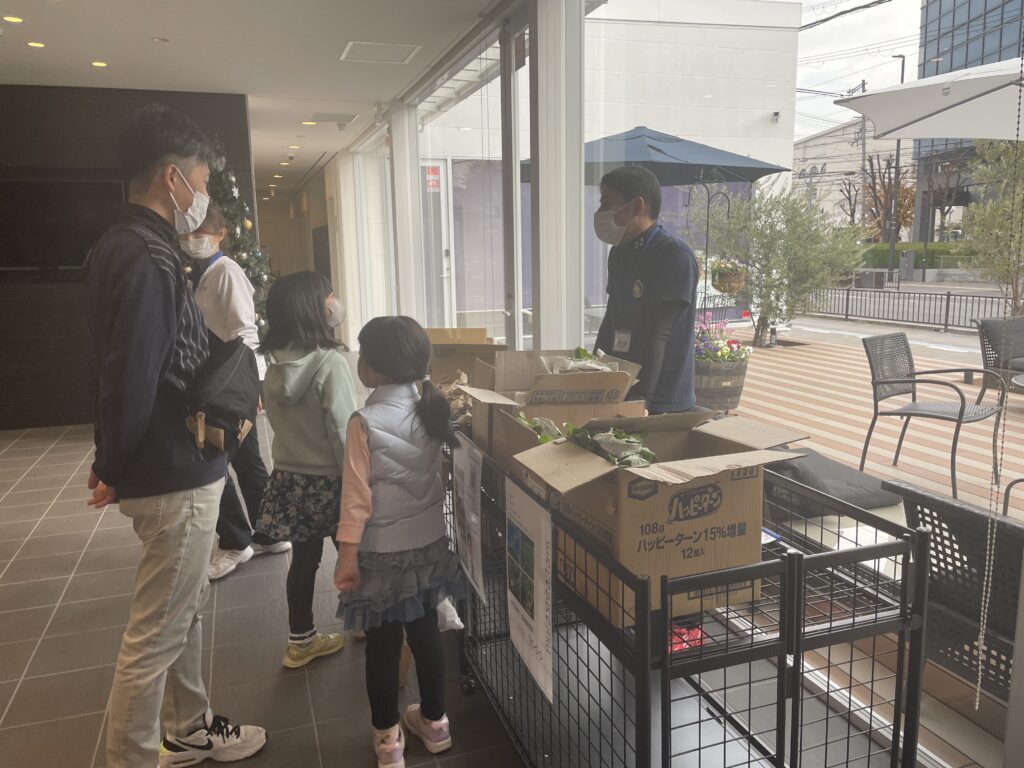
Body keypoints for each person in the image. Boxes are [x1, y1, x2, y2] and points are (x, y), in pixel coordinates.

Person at [86, 103, 265, 768]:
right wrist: (114, 462)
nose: (205, 195)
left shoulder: (124, 247)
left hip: (166, 465)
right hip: (173, 469)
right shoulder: (147, 258)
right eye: (203, 181)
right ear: (172, 178)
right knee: (155, 636)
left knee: (181, 610)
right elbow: (133, 374)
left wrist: (111, 456)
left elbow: (115, 366)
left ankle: (189, 727)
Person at [334, 316, 464, 768]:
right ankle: (436, 723)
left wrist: (347, 557)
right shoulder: (431, 409)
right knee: (426, 635)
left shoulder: (364, 421)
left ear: (376, 367)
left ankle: (389, 742)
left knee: (383, 647)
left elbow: (355, 499)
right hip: (428, 545)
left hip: (382, 554)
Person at [181, 202, 291, 579]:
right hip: (226, 379)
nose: (192, 240)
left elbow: (245, 331)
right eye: (188, 233)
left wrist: (249, 384)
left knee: (211, 462)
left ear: (221, 234)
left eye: (200, 233)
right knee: (246, 458)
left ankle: (234, 541)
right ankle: (269, 534)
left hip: (228, 382)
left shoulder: (226, 271)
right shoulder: (205, 273)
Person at [255, 271, 357, 668]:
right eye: (329, 295)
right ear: (314, 309)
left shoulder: (274, 366)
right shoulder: (330, 363)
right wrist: (357, 481)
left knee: (304, 560)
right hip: (332, 480)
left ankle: (300, 641)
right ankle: (364, 620)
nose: (334, 301)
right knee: (352, 552)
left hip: (290, 477)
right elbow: (343, 430)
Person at [593, 165, 699, 414]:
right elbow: (611, 318)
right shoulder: (619, 253)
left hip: (661, 397)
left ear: (636, 207)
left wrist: (642, 399)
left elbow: (660, 332)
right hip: (621, 385)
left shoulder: (674, 256)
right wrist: (593, 370)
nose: (600, 213)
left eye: (607, 204)